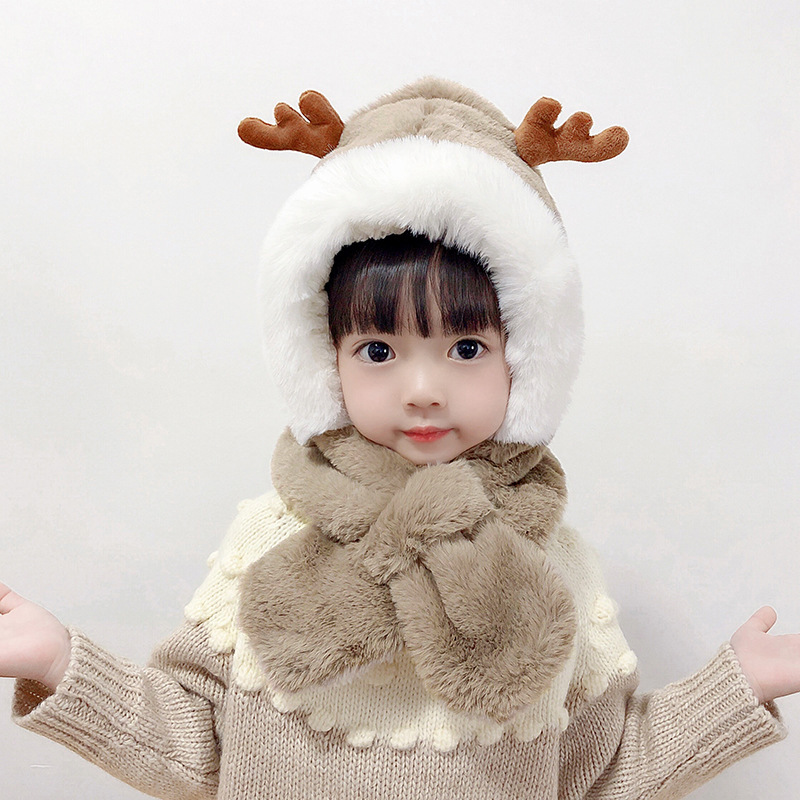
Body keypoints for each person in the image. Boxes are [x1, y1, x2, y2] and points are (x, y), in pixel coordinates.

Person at [2, 77, 800, 799]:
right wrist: (59, 660)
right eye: (379, 351)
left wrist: (734, 688)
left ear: (527, 360)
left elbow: (603, 772)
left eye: (466, 348)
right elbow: (192, 748)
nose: (423, 388)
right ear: (325, 361)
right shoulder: (270, 540)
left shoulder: (551, 566)